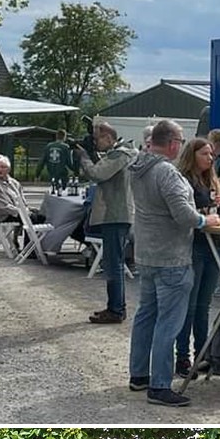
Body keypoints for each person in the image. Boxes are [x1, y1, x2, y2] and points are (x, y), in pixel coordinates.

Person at [127, 120, 220, 408]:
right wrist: (206, 220)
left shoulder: (137, 166)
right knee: (169, 322)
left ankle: (139, 374)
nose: (181, 145)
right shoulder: (167, 172)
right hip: (172, 257)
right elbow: (183, 214)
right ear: (171, 143)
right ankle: (160, 384)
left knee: (146, 315)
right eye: (181, 140)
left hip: (147, 253)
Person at [77, 122, 136, 326]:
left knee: (114, 264)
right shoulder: (122, 153)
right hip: (116, 213)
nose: (95, 142)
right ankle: (115, 307)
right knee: (113, 263)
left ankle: (116, 309)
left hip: (116, 214)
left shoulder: (120, 154)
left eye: (97, 138)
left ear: (108, 138)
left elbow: (97, 174)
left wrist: (84, 156)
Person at [174, 137, 220, 376]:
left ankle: (202, 354)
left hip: (215, 244)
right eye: (205, 153)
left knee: (204, 305)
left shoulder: (210, 179)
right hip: (194, 245)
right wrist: (208, 206)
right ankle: (182, 357)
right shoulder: (184, 180)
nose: (210, 158)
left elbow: (216, 212)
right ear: (192, 155)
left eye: (211, 154)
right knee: (190, 305)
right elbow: (187, 212)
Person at [0, 155, 45, 246]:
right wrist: (23, 212)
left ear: (8, 169)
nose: (0, 169)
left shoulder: (12, 182)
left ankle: (37, 246)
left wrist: (27, 209)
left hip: (16, 210)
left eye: (3, 167)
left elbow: (21, 200)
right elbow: (2, 207)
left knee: (42, 215)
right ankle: (31, 249)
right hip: (6, 214)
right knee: (32, 219)